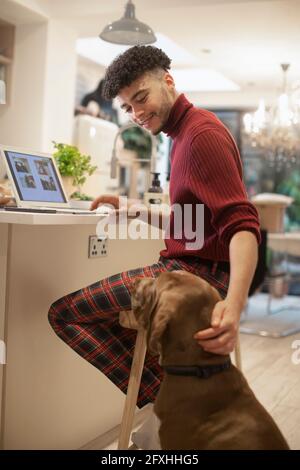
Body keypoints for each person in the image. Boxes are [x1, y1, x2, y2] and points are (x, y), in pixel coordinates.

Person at [48, 46, 260, 447]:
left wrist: (233, 306)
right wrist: (132, 209)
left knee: (64, 315)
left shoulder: (202, 135)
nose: (136, 113)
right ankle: (185, 398)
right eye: (127, 107)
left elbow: (243, 226)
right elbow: (193, 222)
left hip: (192, 277)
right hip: (188, 268)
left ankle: (177, 402)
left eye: (140, 98)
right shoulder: (182, 133)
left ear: (168, 81)